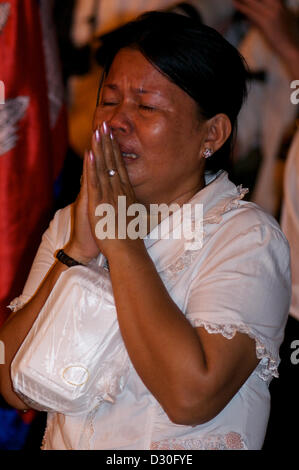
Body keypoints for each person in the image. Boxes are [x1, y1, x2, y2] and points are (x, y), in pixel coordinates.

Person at [0, 12, 291, 450]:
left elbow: (191, 397)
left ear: (211, 133)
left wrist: (120, 243)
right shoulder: (72, 222)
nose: (117, 121)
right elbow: (11, 384)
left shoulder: (247, 239)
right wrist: (76, 254)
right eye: (109, 99)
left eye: (146, 106)